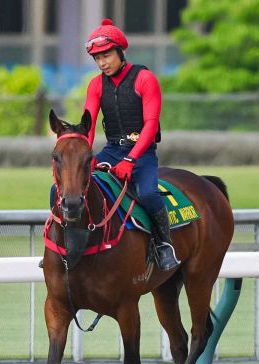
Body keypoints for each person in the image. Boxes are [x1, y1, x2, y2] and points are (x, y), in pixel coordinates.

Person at [83, 18, 179, 271]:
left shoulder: (145, 79)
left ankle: (164, 244)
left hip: (142, 154)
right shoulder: (95, 86)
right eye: (97, 58)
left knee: (147, 193)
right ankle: (69, 247)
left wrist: (131, 159)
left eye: (106, 55)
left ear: (120, 52)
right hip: (111, 151)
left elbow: (151, 124)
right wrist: (86, 155)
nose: (102, 63)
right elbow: (88, 125)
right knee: (72, 187)